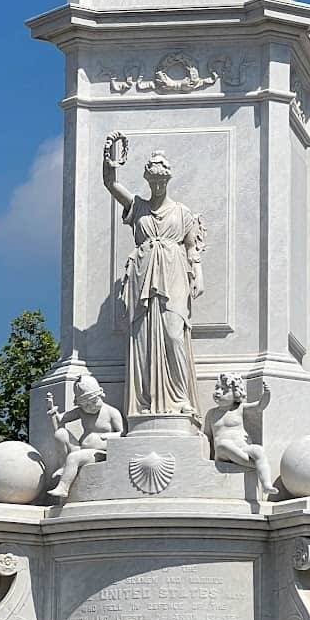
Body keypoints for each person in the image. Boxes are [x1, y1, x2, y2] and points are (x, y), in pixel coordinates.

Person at [102, 137, 206, 421]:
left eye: (162, 182)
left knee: (174, 334)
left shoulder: (182, 212)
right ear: (148, 181)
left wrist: (197, 273)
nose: (157, 186)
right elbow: (111, 185)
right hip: (143, 273)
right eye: (153, 182)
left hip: (173, 272)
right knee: (145, 339)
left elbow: (192, 246)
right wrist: (110, 162)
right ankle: (148, 399)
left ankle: (181, 397)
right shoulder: (137, 206)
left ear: (168, 181)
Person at [46, 374, 124, 499]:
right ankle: (63, 466)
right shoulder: (81, 411)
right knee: (60, 433)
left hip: (99, 453)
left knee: (73, 457)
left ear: (100, 395)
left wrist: (107, 436)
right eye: (86, 405)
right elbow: (61, 420)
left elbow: (123, 433)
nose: (91, 407)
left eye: (93, 402)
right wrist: (52, 411)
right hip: (81, 449)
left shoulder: (111, 412)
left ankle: (63, 487)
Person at [203, 374, 274, 497]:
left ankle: (266, 484)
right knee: (224, 444)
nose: (218, 392)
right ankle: (254, 465)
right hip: (222, 452)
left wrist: (266, 394)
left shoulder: (239, 408)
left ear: (236, 393)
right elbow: (207, 435)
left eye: (224, 390)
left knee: (258, 450)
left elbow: (259, 406)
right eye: (217, 388)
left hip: (242, 447)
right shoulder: (211, 413)